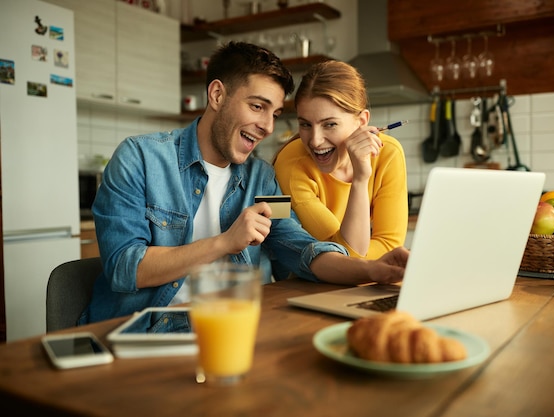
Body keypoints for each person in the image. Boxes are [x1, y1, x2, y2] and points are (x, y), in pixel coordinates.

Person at [78, 42, 408, 325]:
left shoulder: (261, 178)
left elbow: (302, 250)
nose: (266, 126)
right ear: (218, 94)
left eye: (275, 114)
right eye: (257, 106)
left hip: (239, 327)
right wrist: (225, 242)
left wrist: (372, 270)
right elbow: (125, 267)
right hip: (147, 332)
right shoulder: (140, 159)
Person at [273, 60, 408, 259]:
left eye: (330, 124)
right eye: (305, 125)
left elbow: (389, 244)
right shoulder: (291, 163)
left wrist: (365, 266)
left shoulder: (388, 154)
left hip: (364, 280)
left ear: (361, 121)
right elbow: (343, 254)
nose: (316, 141)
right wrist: (360, 181)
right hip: (305, 284)